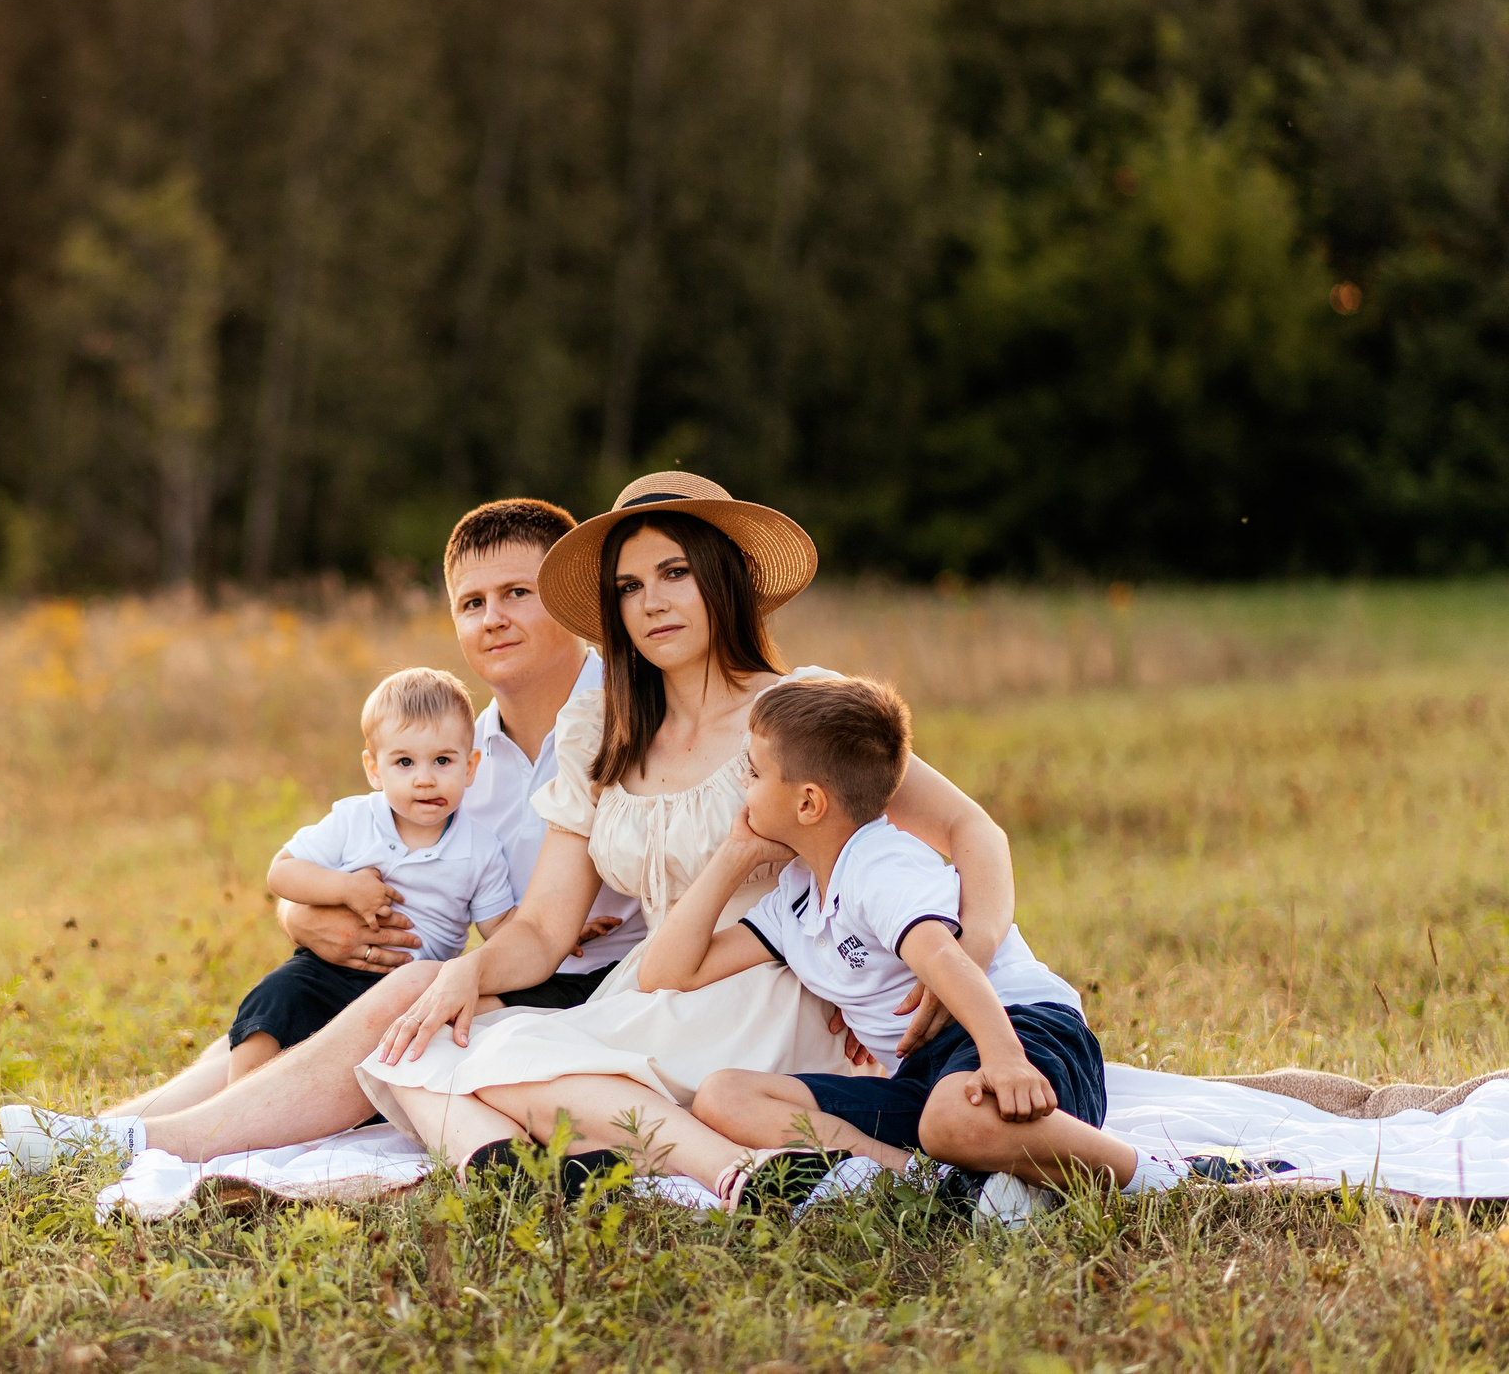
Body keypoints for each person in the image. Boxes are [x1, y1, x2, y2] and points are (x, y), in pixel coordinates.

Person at [0, 498, 637, 1176]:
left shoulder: (629, 717)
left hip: (589, 994)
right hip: (484, 982)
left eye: (518, 593)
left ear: (571, 598)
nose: (493, 618)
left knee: (388, 1006)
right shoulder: (456, 754)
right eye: (471, 602)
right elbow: (361, 861)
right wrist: (305, 917)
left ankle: (113, 1147)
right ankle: (22, 1148)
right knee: (283, 1023)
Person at [338, 472, 1022, 1195]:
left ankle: (716, 1168)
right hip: (657, 982)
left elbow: (971, 828)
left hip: (775, 989)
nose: (652, 602)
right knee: (420, 1046)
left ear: (724, 579)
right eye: (629, 587)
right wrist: (468, 972)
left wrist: (966, 959)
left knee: (495, 1067)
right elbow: (542, 927)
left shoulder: (797, 712)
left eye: (675, 573)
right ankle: (634, 1167)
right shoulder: (602, 729)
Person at [652, 675, 1200, 1219]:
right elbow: (669, 971)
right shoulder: (795, 897)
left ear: (809, 802)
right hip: (924, 1078)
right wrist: (735, 854)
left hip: (1021, 1031)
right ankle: (926, 1183)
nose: (742, 783)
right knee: (722, 1097)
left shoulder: (879, 866)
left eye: (753, 772)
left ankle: (1160, 1175)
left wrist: (1005, 1058)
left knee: (949, 1121)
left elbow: (943, 957)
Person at [230, 667, 518, 1084]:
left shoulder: (481, 849)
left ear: (470, 766)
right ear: (374, 769)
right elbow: (282, 872)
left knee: (415, 1055)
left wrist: (557, 931)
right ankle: (237, 1097)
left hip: (411, 993)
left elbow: (500, 926)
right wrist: (345, 887)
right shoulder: (355, 820)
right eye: (404, 762)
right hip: (328, 970)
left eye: (442, 760)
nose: (424, 779)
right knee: (274, 998)